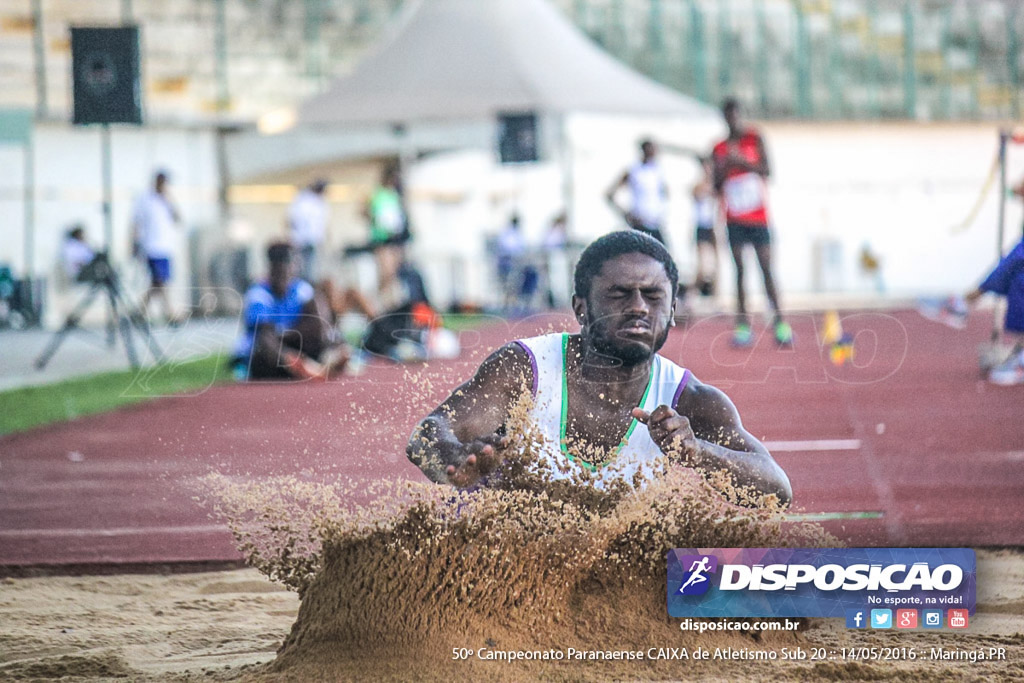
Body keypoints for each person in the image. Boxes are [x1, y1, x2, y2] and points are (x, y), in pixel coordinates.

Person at [406, 231, 792, 506]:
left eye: (653, 296)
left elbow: (778, 491)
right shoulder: (525, 370)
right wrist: (453, 459)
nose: (639, 307)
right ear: (581, 308)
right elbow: (427, 434)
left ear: (672, 312)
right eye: (619, 294)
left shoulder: (690, 400)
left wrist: (697, 452)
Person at [711, 98, 791, 347]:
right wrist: (726, 166)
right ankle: (743, 326)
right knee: (740, 272)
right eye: (728, 116)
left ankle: (780, 323)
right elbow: (715, 184)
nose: (733, 120)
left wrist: (742, 162)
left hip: (758, 218)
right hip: (734, 218)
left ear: (741, 115)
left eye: (736, 115)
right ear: (724, 118)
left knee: (766, 269)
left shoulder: (755, 139)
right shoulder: (719, 148)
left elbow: (768, 170)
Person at [234, 242, 350, 381]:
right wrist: (294, 334)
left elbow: (319, 323)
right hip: (265, 357)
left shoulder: (301, 289)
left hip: (291, 344)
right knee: (266, 341)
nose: (290, 270)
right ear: (273, 268)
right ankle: (302, 365)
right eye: (282, 270)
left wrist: (291, 333)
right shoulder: (258, 293)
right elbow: (265, 332)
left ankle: (325, 358)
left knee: (322, 326)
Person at [132, 170, 181, 325]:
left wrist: (169, 199)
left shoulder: (166, 200)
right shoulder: (144, 199)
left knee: (158, 282)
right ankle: (170, 314)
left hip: (165, 247)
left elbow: (177, 218)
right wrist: (134, 244)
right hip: (151, 247)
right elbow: (136, 222)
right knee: (159, 280)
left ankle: (140, 312)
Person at [606, 139, 669, 245]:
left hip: (655, 223)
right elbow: (610, 194)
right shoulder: (634, 170)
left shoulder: (658, 171)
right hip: (640, 223)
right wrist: (625, 214)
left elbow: (665, 194)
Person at [364, 164, 409, 308]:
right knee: (386, 272)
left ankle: (391, 302)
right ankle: (378, 302)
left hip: (395, 238)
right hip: (382, 239)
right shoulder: (377, 195)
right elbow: (368, 213)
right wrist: (377, 222)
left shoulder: (394, 195)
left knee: (394, 273)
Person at [288, 179, 329, 283]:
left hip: (312, 241)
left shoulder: (320, 202)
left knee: (311, 270)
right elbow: (291, 220)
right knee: (300, 269)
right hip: (300, 241)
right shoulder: (302, 200)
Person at [692, 157, 718, 298]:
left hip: (714, 227)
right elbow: (697, 194)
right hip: (702, 226)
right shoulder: (699, 185)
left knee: (717, 265)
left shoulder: (717, 185)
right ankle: (692, 295)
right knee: (702, 266)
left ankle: (715, 297)